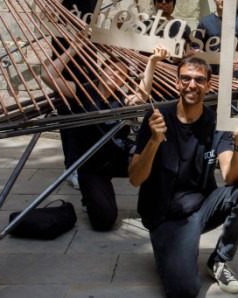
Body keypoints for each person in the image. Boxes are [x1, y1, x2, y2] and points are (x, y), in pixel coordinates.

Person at [128, 56, 238, 297]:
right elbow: (135, 178)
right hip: (164, 215)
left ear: (209, 86)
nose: (192, 85)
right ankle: (174, 249)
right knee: (184, 290)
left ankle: (218, 261)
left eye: (199, 80)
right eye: (186, 79)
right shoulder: (157, 118)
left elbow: (231, 178)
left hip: (201, 209)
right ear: (177, 83)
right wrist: (154, 142)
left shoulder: (216, 123)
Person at [40, 44, 170, 231]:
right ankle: (91, 197)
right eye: (112, 69)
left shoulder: (123, 98)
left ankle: (151, 206)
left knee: (155, 158)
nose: (115, 75)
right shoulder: (81, 92)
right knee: (104, 222)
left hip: (118, 157)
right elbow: (47, 76)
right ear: (101, 71)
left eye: (121, 74)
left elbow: (142, 95)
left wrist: (152, 62)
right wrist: (75, 48)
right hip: (92, 166)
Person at [51, 0, 99, 189]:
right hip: (62, 66)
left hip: (86, 67)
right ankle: (70, 168)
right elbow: (44, 18)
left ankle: (81, 165)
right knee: (66, 118)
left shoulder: (95, 3)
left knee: (83, 118)